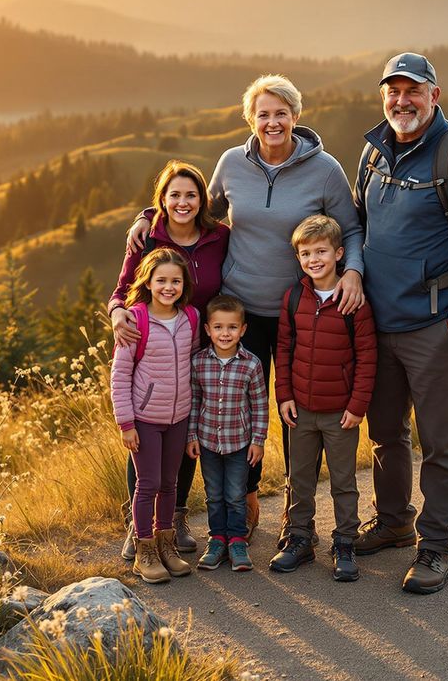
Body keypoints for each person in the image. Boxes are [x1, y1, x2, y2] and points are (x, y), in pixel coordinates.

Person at [128, 75, 365, 547]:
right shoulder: (232, 163)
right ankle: (211, 510)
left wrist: (353, 272)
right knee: (221, 406)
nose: (272, 122)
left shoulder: (325, 170)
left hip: (301, 313)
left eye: (281, 113)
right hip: (236, 315)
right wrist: (144, 217)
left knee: (295, 411)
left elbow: (352, 230)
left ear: (296, 117)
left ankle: (294, 522)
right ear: (250, 119)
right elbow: (193, 210)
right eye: (263, 114)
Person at [351, 53, 448, 594]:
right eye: (392, 91)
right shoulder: (372, 152)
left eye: (412, 91)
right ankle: (395, 522)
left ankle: (436, 546)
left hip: (436, 328)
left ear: (434, 95)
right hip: (379, 326)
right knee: (386, 434)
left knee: (441, 444)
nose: (401, 101)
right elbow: (358, 226)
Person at [109, 160, 229, 559]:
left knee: (182, 431)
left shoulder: (219, 236)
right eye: (174, 195)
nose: (183, 202)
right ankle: (137, 525)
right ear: (161, 199)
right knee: (146, 437)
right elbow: (123, 289)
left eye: (191, 195)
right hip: (152, 343)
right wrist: (116, 314)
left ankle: (173, 518)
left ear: (202, 200)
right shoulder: (147, 239)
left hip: (198, 343)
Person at [268, 215, 376, 581]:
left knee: (344, 482)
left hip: (340, 413)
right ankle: (299, 539)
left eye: (321, 251)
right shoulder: (294, 297)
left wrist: (357, 406)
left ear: (339, 253)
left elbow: (367, 357)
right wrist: (284, 395)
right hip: (301, 410)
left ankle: (345, 542)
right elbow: (283, 349)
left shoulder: (354, 301)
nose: (314, 259)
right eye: (305, 253)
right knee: (300, 479)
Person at [110, 247, 200, 584]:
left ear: (183, 284)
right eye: (161, 280)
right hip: (145, 419)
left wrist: (191, 427)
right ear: (148, 282)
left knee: (169, 484)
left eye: (175, 281)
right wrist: (126, 424)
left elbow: (189, 367)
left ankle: (166, 545)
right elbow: (119, 376)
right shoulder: (136, 319)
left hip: (178, 417)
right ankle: (144, 550)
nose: (168, 287)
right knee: (147, 485)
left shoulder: (191, 317)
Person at [186, 294, 267, 573]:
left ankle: (237, 541)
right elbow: (194, 401)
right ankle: (217, 540)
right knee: (214, 494)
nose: (225, 333)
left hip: (239, 444)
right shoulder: (198, 363)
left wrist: (258, 441)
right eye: (218, 327)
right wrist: (191, 436)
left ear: (242, 329)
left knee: (235, 493)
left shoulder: (251, 364)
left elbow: (259, 405)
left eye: (232, 327)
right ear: (207, 329)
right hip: (207, 442)